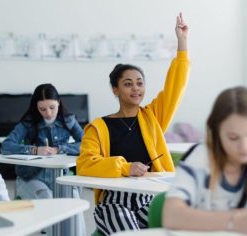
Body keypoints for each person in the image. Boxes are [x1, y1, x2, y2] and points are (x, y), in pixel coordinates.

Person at [76, 13, 190, 235]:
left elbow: (175, 87)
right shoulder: (98, 127)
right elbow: (85, 164)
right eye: (128, 84)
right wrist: (124, 167)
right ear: (115, 90)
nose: (136, 88)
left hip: (148, 198)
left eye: (139, 83)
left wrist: (182, 42)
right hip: (114, 203)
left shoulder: (153, 117)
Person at [163, 86, 247, 235]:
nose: (245, 147)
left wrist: (246, 220)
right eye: (233, 137)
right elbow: (172, 215)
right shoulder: (201, 156)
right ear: (216, 133)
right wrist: (235, 222)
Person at [1, 83, 83, 199]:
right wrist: (34, 150)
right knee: (46, 197)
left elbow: (88, 144)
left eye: (52, 107)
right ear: (36, 107)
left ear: (58, 102)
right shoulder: (28, 122)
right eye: (42, 109)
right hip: (30, 177)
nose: (48, 113)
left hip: (59, 177)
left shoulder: (69, 120)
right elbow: (6, 146)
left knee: (74, 200)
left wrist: (60, 149)